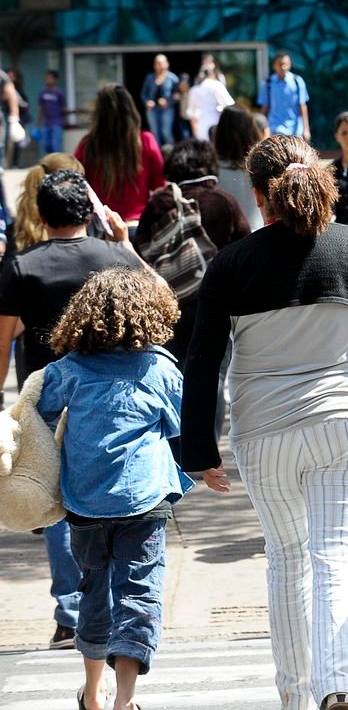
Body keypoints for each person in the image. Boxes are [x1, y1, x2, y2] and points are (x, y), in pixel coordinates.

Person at [178, 135, 348, 710]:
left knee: (287, 557)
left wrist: (197, 447)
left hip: (263, 433)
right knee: (337, 552)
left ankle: (296, 697)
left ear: (256, 195)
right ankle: (340, 684)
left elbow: (202, 362)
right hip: (347, 425)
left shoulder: (233, 264)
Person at [38, 267, 223, 710]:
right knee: (139, 594)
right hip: (144, 502)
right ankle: (124, 700)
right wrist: (208, 465)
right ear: (148, 315)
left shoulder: (67, 369)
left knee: (93, 591)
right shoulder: (158, 368)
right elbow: (189, 422)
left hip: (83, 503)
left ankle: (93, 693)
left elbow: (38, 417)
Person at [0, 170, 148, 653]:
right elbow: (159, 303)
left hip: (45, 394)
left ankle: (71, 612)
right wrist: (125, 243)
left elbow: (2, 341)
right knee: (103, 492)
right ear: (90, 212)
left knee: (52, 497)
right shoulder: (113, 258)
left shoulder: (21, 266)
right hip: (108, 394)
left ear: (41, 215)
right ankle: (106, 604)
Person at [131, 139, 251, 360]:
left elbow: (140, 250)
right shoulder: (223, 201)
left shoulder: (157, 204)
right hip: (216, 303)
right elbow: (245, 250)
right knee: (215, 372)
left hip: (170, 304)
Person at [75, 85, 165, 222]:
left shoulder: (87, 145)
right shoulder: (146, 140)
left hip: (102, 226)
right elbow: (160, 185)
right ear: (131, 110)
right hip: (138, 225)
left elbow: (77, 184)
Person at [212, 105, 268, 230]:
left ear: (220, 132)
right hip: (259, 235)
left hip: (227, 241)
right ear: (251, 130)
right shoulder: (262, 166)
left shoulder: (212, 169)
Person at [257, 52, 311, 140]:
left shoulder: (297, 81)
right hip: (274, 128)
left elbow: (302, 106)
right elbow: (264, 108)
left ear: (289, 65)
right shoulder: (267, 83)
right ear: (274, 66)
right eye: (280, 64)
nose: (283, 67)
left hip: (295, 130)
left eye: (285, 64)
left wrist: (306, 129)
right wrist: (260, 128)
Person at [140, 55, 180, 147]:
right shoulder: (149, 77)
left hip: (167, 109)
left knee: (166, 132)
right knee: (155, 134)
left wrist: (169, 101)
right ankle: (158, 157)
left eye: (161, 63)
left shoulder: (173, 78)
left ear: (167, 64)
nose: (159, 65)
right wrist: (147, 102)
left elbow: (178, 94)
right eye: (157, 63)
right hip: (152, 109)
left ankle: (171, 155)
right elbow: (143, 93)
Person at [187, 64, 233, 142]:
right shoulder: (217, 85)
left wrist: (194, 130)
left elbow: (191, 113)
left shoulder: (193, 90)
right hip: (216, 123)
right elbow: (229, 105)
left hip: (200, 126)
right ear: (212, 74)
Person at [35, 70, 66, 155]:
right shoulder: (43, 93)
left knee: (55, 146)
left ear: (56, 80)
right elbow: (41, 108)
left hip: (56, 123)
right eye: (46, 78)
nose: (47, 80)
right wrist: (38, 123)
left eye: (50, 78)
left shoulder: (59, 93)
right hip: (45, 123)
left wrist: (64, 122)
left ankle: (57, 164)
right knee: (45, 146)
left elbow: (63, 108)